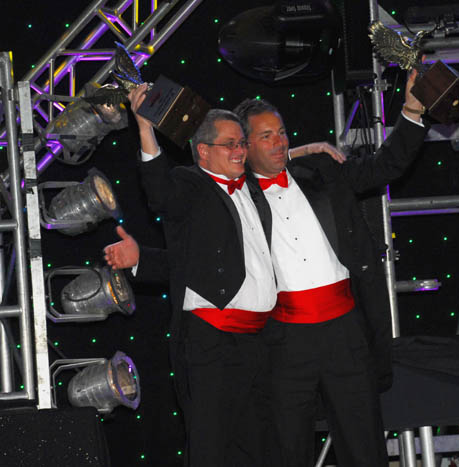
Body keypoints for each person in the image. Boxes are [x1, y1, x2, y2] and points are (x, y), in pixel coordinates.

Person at [103, 84, 345, 467]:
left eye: (242, 144)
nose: (239, 151)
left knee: (263, 448)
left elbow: (273, 161)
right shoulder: (191, 184)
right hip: (214, 342)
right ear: (203, 151)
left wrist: (307, 149)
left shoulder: (252, 186)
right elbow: (161, 192)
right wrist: (145, 129)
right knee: (212, 448)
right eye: (229, 144)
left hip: (261, 341)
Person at [232, 68, 429, 467]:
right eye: (266, 136)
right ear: (244, 146)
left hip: (345, 332)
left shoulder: (322, 172)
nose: (279, 142)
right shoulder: (235, 199)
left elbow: (385, 167)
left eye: (282, 133)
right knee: (287, 450)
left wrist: (411, 111)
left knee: (364, 445)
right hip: (285, 343)